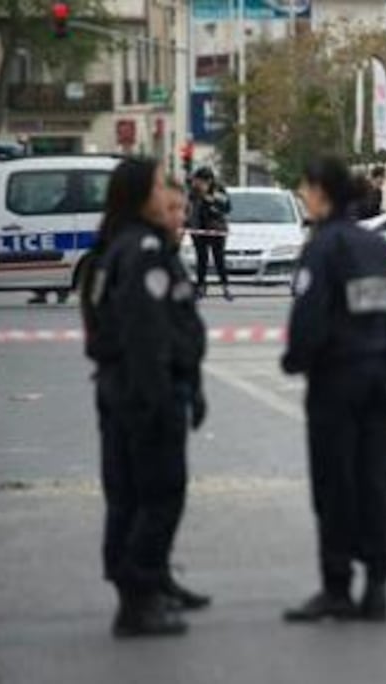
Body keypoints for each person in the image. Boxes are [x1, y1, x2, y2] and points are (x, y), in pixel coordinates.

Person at [79, 158, 210, 638]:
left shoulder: (116, 247)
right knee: (158, 496)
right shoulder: (142, 250)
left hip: (123, 389)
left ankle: (145, 587)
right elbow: (145, 334)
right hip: (144, 393)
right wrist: (159, 400)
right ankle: (137, 598)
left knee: (129, 497)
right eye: (159, 187)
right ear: (140, 195)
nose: (167, 197)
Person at [281, 156, 386, 624]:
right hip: (375, 376)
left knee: (335, 483)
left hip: (335, 381)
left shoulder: (322, 248)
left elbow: (309, 318)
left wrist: (295, 361)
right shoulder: (374, 246)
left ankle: (337, 587)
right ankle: (377, 584)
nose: (302, 195)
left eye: (305, 188)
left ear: (321, 193)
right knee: (375, 480)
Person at [188, 167, 233, 300]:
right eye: (197, 181)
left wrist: (210, 198)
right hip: (198, 228)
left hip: (216, 229)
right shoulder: (193, 191)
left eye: (200, 181)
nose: (198, 183)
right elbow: (189, 207)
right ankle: (201, 286)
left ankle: (225, 287)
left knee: (219, 259)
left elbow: (227, 206)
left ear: (209, 180)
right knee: (202, 259)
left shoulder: (218, 189)